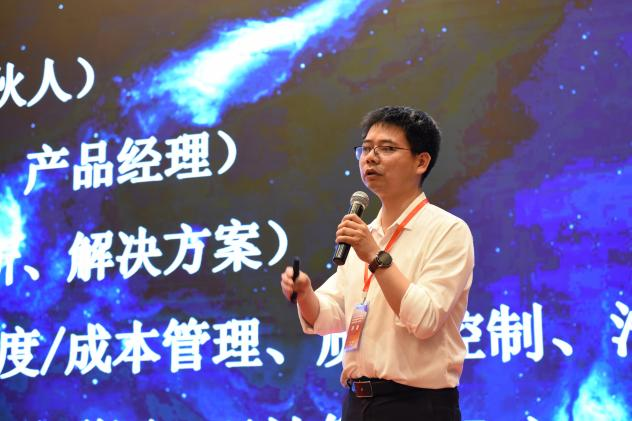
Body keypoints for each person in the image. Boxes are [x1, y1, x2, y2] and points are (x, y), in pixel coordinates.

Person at [280, 106, 474, 420]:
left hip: (417, 405)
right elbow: (330, 315)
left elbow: (425, 319)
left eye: (386, 148)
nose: (370, 157)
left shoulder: (448, 231)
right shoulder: (365, 235)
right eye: (366, 148)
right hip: (357, 403)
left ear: (421, 161)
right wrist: (305, 294)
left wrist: (375, 257)